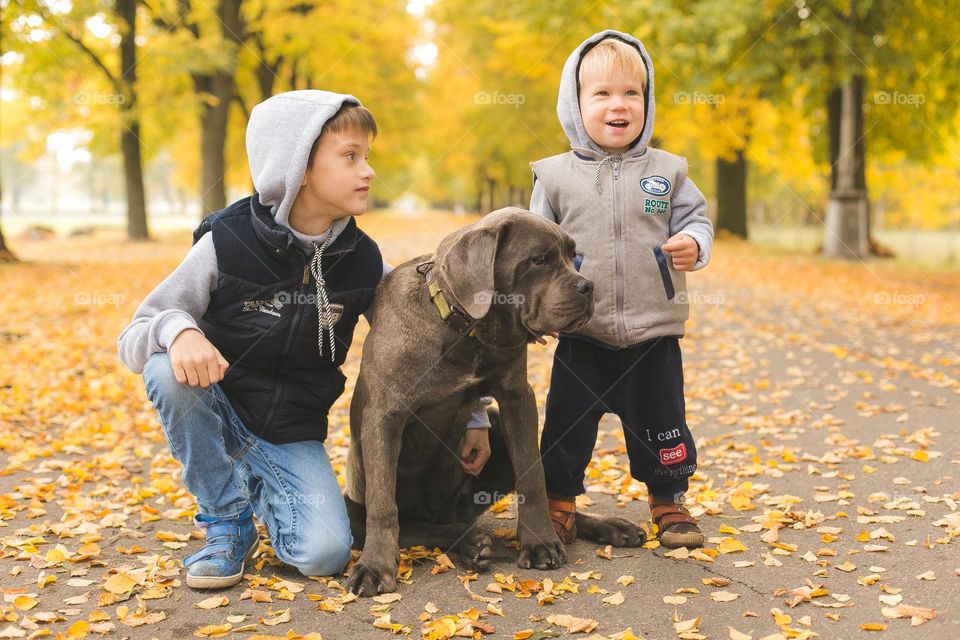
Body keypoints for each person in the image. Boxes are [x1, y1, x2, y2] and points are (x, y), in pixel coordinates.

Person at [118, 90, 492, 589]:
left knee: (324, 555)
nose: (369, 171)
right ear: (298, 168)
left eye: (367, 156)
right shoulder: (225, 242)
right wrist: (180, 330)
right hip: (219, 409)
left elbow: (433, 341)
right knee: (167, 368)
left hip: (289, 430)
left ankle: (259, 481)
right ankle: (226, 520)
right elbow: (135, 334)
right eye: (350, 156)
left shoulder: (364, 261)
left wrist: (474, 415)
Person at [529, 31, 714, 549]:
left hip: (653, 333)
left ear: (646, 102)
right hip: (582, 331)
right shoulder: (554, 177)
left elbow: (697, 221)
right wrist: (534, 313)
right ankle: (558, 502)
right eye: (603, 94)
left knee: (662, 420)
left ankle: (668, 500)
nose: (619, 104)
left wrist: (692, 244)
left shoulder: (668, 172)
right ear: (576, 104)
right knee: (566, 424)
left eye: (632, 93)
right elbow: (533, 252)